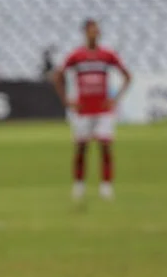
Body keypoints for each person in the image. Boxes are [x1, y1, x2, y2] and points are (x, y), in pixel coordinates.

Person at [52, 19, 131, 201]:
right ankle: (79, 185)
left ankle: (106, 186)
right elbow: (58, 76)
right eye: (91, 31)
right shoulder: (76, 56)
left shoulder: (107, 55)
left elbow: (127, 76)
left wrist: (115, 99)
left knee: (105, 147)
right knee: (81, 148)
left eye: (96, 31)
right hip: (83, 109)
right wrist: (66, 100)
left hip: (103, 109)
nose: (94, 34)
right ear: (84, 33)